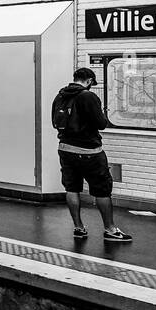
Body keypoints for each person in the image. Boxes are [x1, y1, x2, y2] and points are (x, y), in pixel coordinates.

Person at [53, 67, 131, 242]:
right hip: (89, 151)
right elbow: (101, 123)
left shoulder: (60, 95)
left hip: (65, 148)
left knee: (71, 188)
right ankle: (110, 230)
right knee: (102, 190)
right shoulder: (87, 96)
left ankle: (79, 228)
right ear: (89, 81)